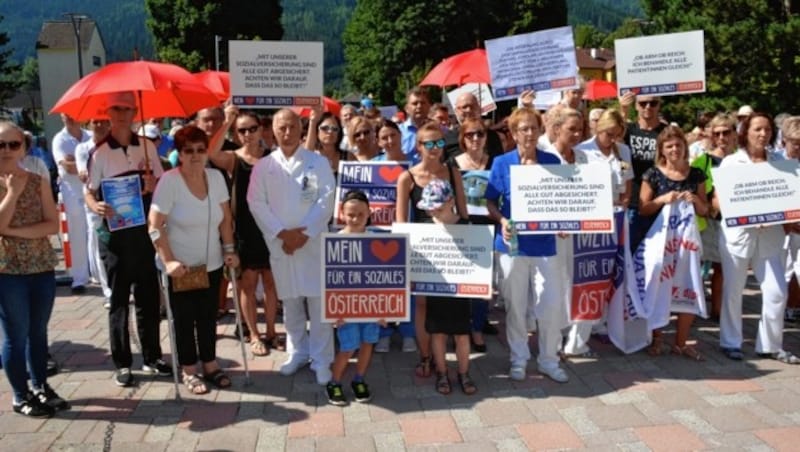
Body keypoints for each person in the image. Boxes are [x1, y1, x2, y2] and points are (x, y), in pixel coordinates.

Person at [85, 91, 171, 387]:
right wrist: (93, 205)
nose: (122, 114)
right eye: (116, 109)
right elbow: (89, 190)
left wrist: (152, 183)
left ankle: (152, 357)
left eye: (127, 109)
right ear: (108, 113)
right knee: (119, 301)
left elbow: (162, 183)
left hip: (144, 233)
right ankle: (122, 363)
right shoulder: (98, 152)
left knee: (148, 297)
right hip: (114, 237)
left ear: (135, 112)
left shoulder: (147, 146)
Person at [247, 108, 336, 385]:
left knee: (319, 305)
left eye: (292, 128)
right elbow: (256, 203)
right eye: (281, 128)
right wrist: (282, 234)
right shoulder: (264, 166)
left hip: (312, 244)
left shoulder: (317, 162)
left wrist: (304, 234)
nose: (287, 133)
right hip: (281, 246)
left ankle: (322, 360)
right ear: (271, 130)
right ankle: (298, 351)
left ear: (301, 129)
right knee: (291, 302)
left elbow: (326, 199)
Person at [149, 126, 239, 394]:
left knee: (208, 316)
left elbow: (225, 220)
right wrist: (168, 261)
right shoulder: (169, 181)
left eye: (201, 150)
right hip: (182, 267)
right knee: (185, 319)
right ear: (179, 153)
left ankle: (210, 364)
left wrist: (230, 250)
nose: (196, 155)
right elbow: (154, 225)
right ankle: (189, 369)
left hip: (210, 263)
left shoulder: (215, 177)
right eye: (189, 151)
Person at [484, 107, 570, 383]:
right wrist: (501, 220)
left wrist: (566, 222)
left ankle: (548, 359)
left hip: (545, 244)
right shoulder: (501, 163)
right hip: (513, 244)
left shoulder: (551, 162)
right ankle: (518, 359)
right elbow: (490, 202)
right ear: (514, 133)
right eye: (524, 129)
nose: (530, 133)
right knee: (515, 304)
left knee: (551, 303)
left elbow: (564, 201)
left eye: (534, 127)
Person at [715, 113, 798, 363]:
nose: (763, 134)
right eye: (758, 129)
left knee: (776, 291)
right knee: (733, 290)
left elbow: (789, 200)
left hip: (771, 236)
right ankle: (730, 342)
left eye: (768, 130)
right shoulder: (731, 163)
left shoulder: (780, 162)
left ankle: (771, 345)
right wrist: (745, 213)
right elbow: (718, 200)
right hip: (738, 236)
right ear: (745, 132)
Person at [0, 120, 68, 417]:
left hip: (40, 266)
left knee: (38, 332)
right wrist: (12, 194)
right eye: (0, 145)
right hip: (7, 271)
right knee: (15, 334)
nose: (6, 150)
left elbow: (52, 224)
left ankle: (40, 385)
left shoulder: (38, 179)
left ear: (24, 147)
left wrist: (12, 231)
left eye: (13, 144)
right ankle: (20, 395)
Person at [396, 123, 469, 378]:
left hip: (451, 245)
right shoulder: (407, 178)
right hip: (423, 248)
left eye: (439, 143)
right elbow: (402, 223)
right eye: (429, 144)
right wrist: (406, 258)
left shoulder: (453, 172)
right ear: (419, 147)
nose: (436, 149)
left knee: (450, 304)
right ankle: (426, 357)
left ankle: (449, 360)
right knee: (423, 306)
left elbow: (464, 213)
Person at [208, 108, 280, 356]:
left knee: (272, 284)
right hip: (245, 229)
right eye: (242, 130)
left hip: (270, 227)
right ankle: (254, 334)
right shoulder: (233, 158)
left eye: (252, 128)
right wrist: (227, 120)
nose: (248, 134)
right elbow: (211, 153)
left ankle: (271, 332)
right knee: (246, 285)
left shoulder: (273, 157)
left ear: (261, 130)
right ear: (236, 134)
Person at [638, 125, 708, 360]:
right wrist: (662, 199)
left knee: (687, 285)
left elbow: (705, 210)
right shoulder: (652, 174)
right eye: (669, 146)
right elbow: (643, 208)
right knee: (660, 286)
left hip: (687, 243)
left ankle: (681, 342)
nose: (674, 149)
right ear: (662, 150)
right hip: (661, 243)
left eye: (678, 145)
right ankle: (657, 338)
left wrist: (696, 200)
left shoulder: (696, 174)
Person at [418, 178, 477, 395]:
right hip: (436, 288)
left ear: (450, 201)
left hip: (460, 290)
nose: (433, 213)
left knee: (462, 333)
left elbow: (478, 259)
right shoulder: (424, 229)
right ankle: (442, 373)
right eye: (430, 209)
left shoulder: (466, 227)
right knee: (438, 332)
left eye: (438, 208)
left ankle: (463, 373)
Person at [326, 190, 381, 405]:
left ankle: (359, 379)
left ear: (369, 213)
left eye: (360, 214)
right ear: (342, 214)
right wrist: (333, 312)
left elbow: (388, 279)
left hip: (372, 307)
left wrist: (388, 310)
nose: (355, 219)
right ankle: (335, 382)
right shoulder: (333, 242)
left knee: (368, 343)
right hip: (346, 308)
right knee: (348, 347)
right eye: (351, 215)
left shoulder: (379, 241)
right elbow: (329, 281)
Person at [449, 118, 494, 352]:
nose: (475, 138)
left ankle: (477, 328)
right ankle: (458, 328)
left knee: (481, 284)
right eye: (470, 135)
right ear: (462, 138)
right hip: (460, 227)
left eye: (480, 134)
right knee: (460, 283)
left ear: (486, 137)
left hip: (487, 227)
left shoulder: (494, 162)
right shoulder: (453, 163)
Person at [373, 119, 416, 353]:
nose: (389, 141)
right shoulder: (372, 166)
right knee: (383, 285)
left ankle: (409, 332)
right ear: (378, 142)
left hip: (411, 231)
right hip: (380, 234)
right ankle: (384, 331)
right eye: (384, 137)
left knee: (409, 285)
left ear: (400, 135)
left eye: (392, 135)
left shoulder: (414, 164)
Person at [690, 113, 737, 320]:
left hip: (733, 221)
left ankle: (718, 311)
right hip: (708, 219)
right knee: (700, 265)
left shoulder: (740, 160)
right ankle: (695, 307)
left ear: (734, 134)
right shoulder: (703, 160)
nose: (722, 137)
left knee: (722, 268)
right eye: (717, 133)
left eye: (726, 132)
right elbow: (693, 187)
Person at [619, 92, 667, 246]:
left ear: (659, 105)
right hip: (633, 198)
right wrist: (623, 109)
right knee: (631, 250)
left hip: (658, 199)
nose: (648, 107)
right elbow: (617, 144)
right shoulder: (628, 130)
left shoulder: (666, 132)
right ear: (636, 106)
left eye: (653, 103)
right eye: (642, 103)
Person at [51, 113, 92, 293]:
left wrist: (77, 163)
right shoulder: (59, 139)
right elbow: (67, 167)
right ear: (62, 118)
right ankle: (79, 278)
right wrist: (86, 164)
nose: (71, 118)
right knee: (77, 234)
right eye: (66, 115)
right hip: (72, 192)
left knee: (95, 234)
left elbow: (96, 163)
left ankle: (98, 274)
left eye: (73, 114)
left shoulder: (89, 135)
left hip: (91, 189)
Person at [75, 118, 113, 307]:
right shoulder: (83, 148)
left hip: (116, 206)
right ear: (89, 125)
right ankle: (108, 291)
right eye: (95, 122)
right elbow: (85, 175)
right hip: (95, 208)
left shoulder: (116, 145)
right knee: (102, 248)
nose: (100, 125)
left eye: (104, 121)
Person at [780, 117, 800, 320]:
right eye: (795, 143)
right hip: (780, 229)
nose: (799, 148)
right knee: (782, 274)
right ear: (785, 140)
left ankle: (792, 307)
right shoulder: (775, 162)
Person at [305, 109, 349, 175]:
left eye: (334, 129)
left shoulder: (347, 156)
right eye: (325, 128)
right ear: (316, 131)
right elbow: (306, 155)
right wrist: (313, 122)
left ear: (339, 133)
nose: (330, 132)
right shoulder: (312, 155)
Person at [399, 87, 432, 158]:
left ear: (429, 106)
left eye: (423, 103)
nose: (419, 106)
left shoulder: (441, 130)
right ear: (406, 108)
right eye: (415, 103)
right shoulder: (398, 132)